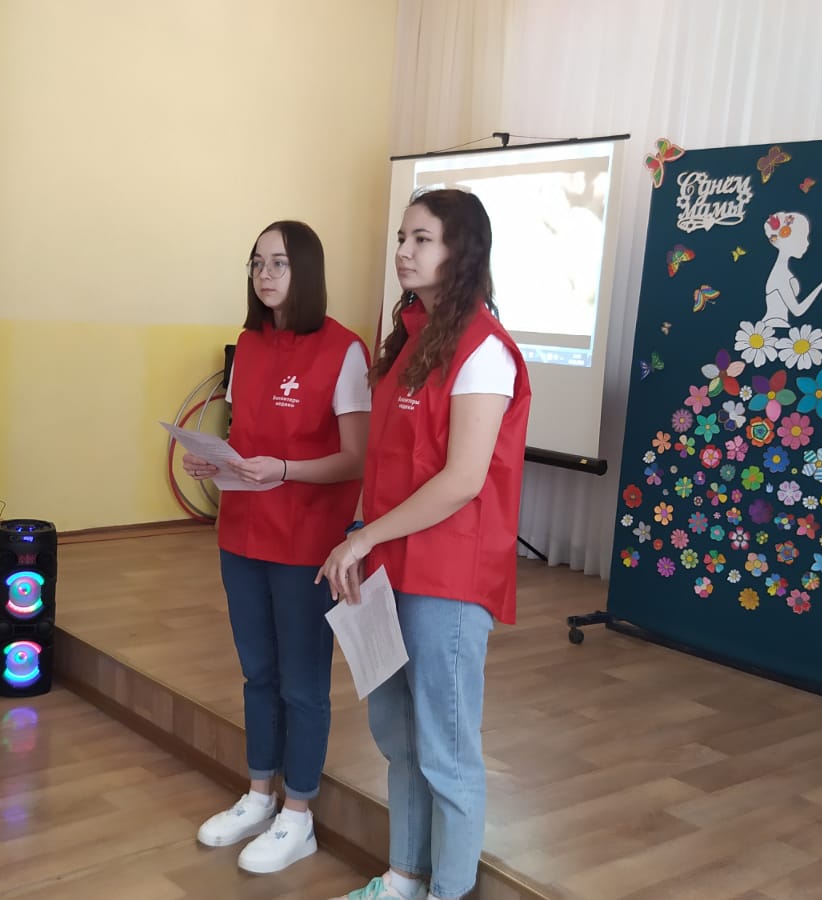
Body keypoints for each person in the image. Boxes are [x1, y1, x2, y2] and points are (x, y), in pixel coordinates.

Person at [318, 189, 531, 900]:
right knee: (398, 737)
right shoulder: (410, 338)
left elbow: (463, 480)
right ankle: (404, 877)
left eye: (422, 239)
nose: (404, 252)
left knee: (446, 749)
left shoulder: (485, 350)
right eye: (402, 238)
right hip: (387, 566)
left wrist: (362, 541)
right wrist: (360, 538)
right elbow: (384, 463)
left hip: (448, 577)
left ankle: (449, 889)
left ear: (460, 251)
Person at [181, 220, 370, 874]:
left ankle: (299, 814)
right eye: (257, 262)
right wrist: (216, 461)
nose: (265, 274)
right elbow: (245, 441)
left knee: (302, 683)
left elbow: (356, 459)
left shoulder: (344, 350)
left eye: (280, 263)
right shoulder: (249, 344)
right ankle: (259, 794)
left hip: (306, 543)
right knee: (257, 672)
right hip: (241, 534)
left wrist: (284, 470)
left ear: (306, 270)